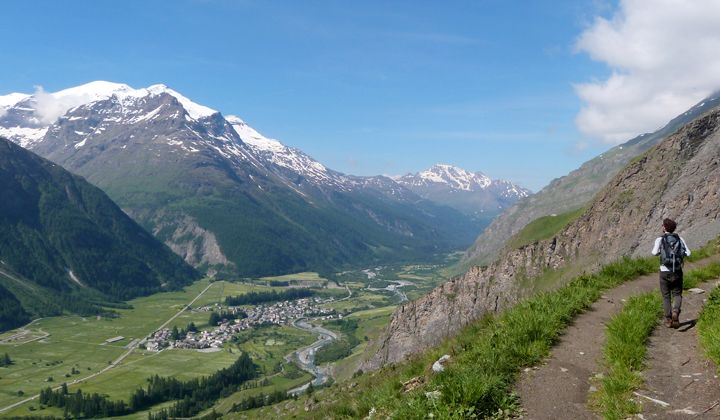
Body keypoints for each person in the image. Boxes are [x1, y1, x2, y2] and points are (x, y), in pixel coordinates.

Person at [651, 218, 691, 328]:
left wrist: (661, 252)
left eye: (662, 225)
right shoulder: (680, 238)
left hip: (664, 271)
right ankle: (676, 311)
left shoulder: (660, 239)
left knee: (666, 296)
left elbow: (654, 252)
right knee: (677, 294)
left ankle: (668, 320)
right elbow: (688, 252)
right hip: (677, 271)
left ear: (664, 227)